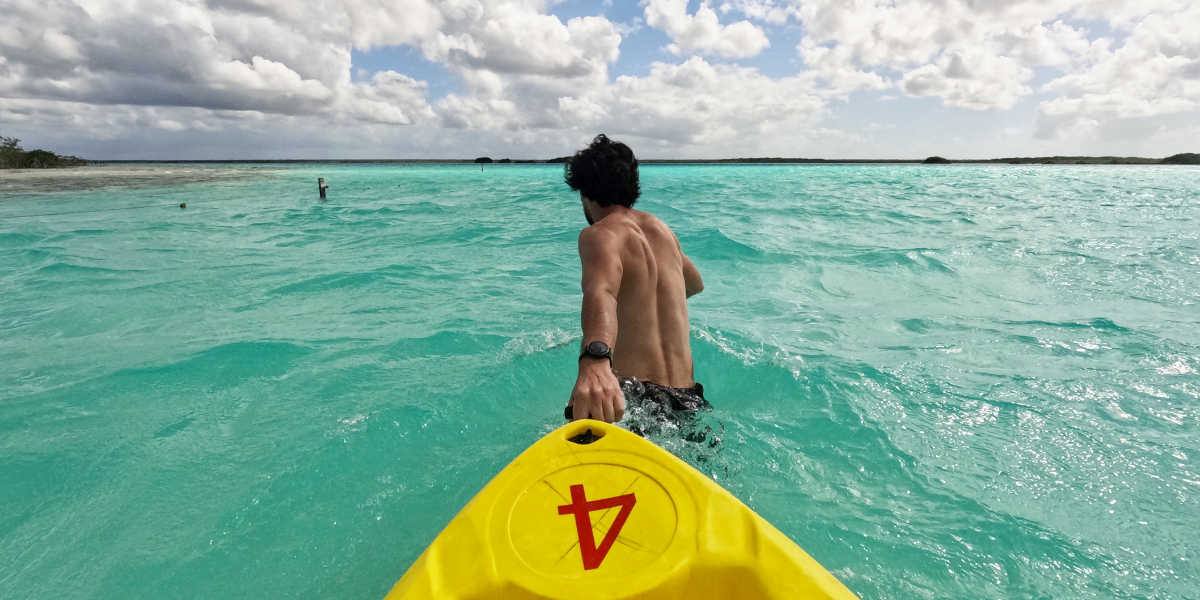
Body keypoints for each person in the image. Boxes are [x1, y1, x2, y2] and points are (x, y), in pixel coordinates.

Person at [563, 134, 708, 425]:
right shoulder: (661, 229)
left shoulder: (599, 234)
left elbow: (602, 291)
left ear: (584, 193)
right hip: (689, 399)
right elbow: (694, 284)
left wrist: (595, 361)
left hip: (635, 399)